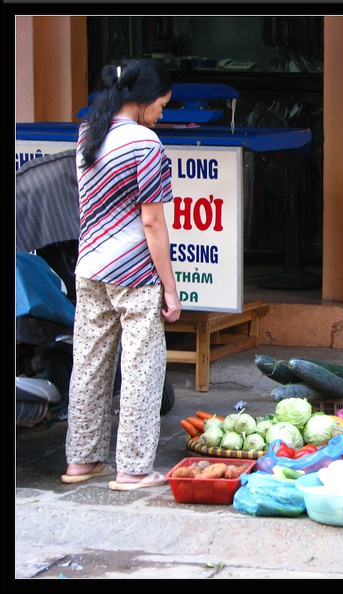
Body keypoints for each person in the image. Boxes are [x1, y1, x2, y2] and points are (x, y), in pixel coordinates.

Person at [61, 58, 182, 490]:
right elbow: (152, 223)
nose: (162, 114)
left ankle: (82, 460)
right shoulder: (144, 144)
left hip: (90, 267)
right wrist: (170, 288)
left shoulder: (88, 135)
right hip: (132, 272)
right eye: (162, 105)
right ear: (144, 99)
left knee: (89, 365)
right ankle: (132, 468)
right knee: (141, 368)